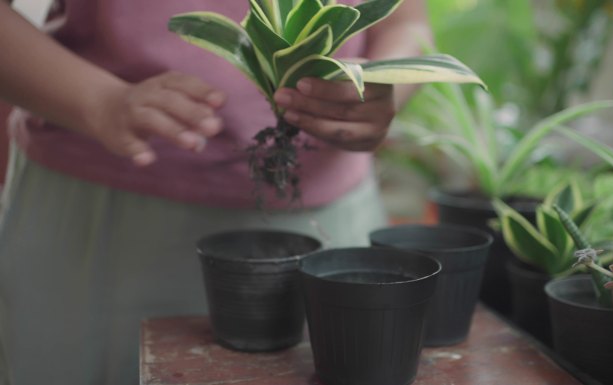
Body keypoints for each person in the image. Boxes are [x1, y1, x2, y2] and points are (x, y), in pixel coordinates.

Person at [0, 1, 431, 384]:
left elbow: (407, 18)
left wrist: (383, 87)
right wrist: (100, 101)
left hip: (335, 220)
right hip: (103, 215)